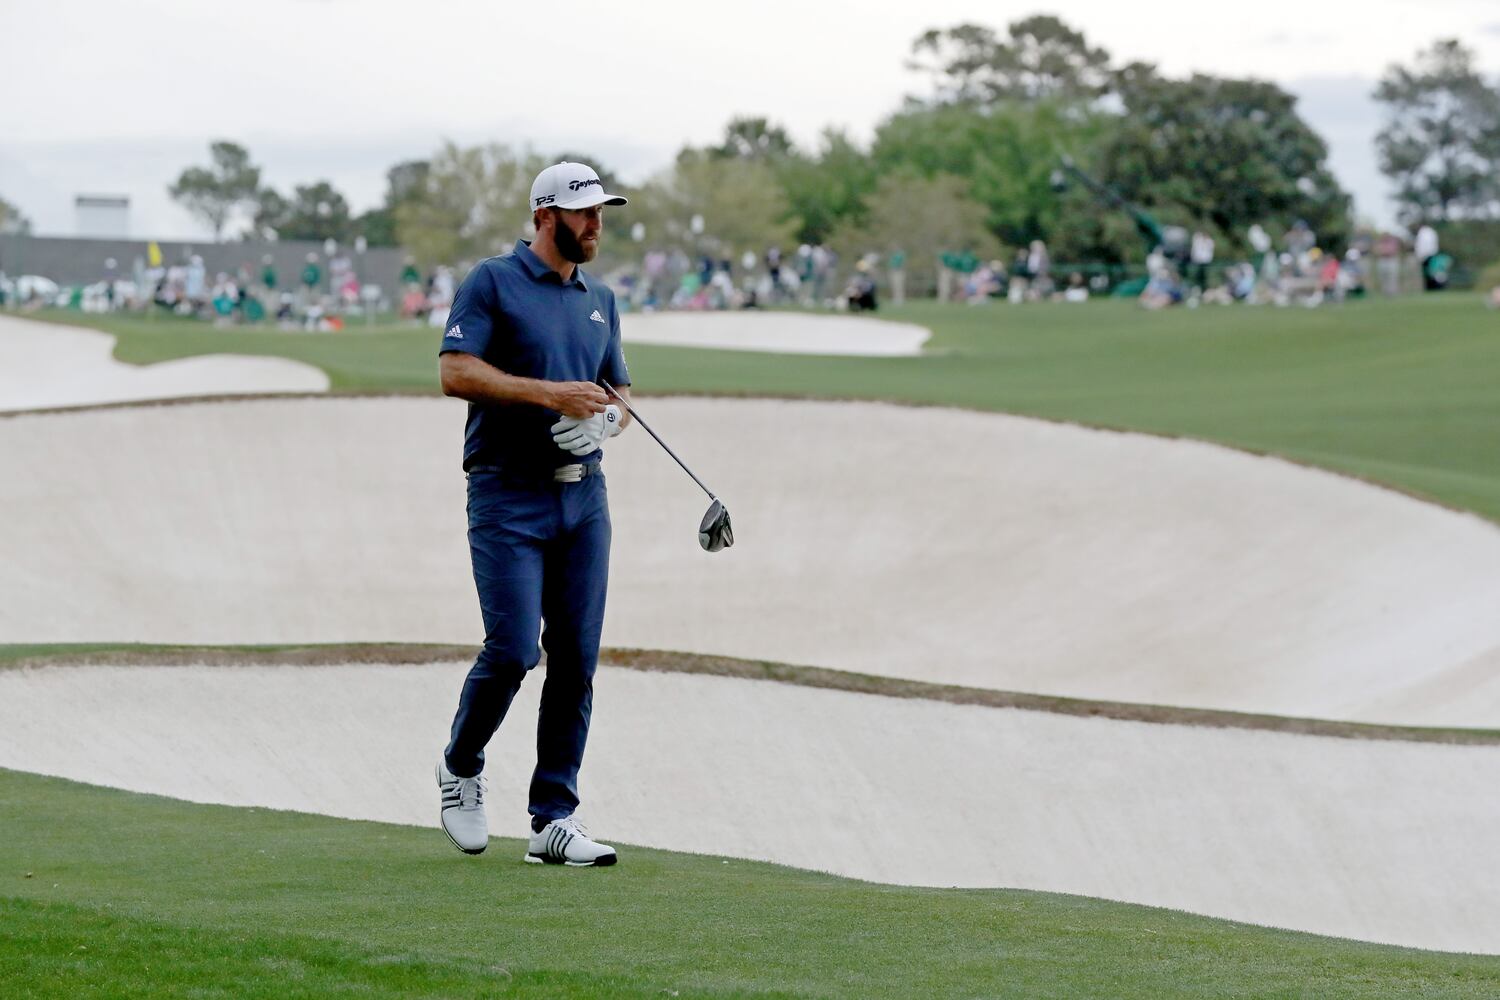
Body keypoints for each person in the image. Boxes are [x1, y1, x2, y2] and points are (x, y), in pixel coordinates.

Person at [435, 161, 632, 867]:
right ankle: (460, 768)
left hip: (584, 496)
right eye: (583, 213)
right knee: (517, 648)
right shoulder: (492, 282)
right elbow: (456, 371)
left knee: (576, 659)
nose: (596, 224)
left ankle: (553, 819)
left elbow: (619, 396)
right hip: (507, 493)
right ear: (545, 216)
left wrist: (606, 422)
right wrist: (552, 398)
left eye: (601, 212)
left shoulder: (601, 298)